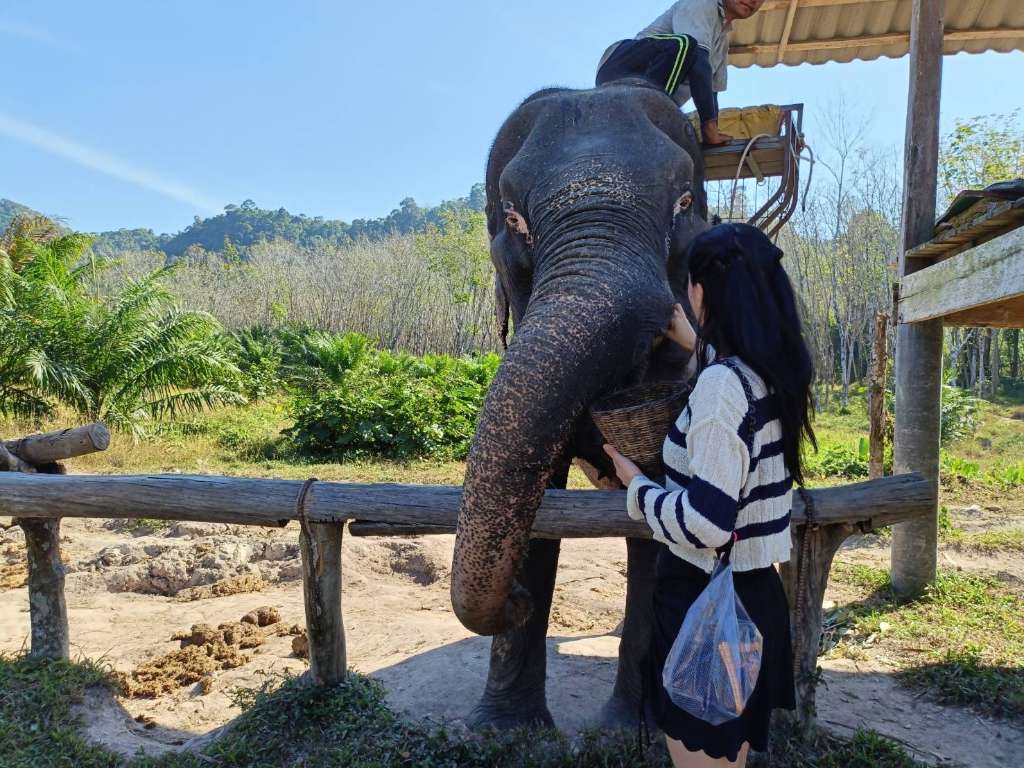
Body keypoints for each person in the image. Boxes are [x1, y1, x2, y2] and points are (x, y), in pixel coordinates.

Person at [603, 223, 816, 767]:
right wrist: (694, 342)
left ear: (700, 291)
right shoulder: (771, 373)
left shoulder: (722, 386)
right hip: (752, 596)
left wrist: (637, 488)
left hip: (706, 601)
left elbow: (707, 522)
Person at [596, 0, 765, 146]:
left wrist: (713, 130)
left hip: (649, 91)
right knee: (688, 45)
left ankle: (654, 118)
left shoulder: (722, 41)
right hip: (619, 66)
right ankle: (653, 115)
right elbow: (699, 63)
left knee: (696, 62)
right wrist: (708, 129)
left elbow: (712, 91)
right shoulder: (701, 4)